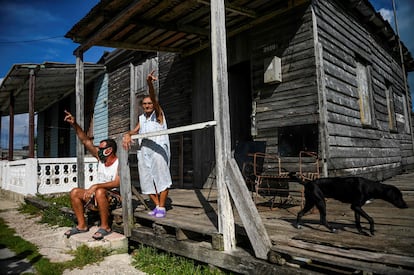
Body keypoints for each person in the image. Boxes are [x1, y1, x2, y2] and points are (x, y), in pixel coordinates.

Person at [63, 110, 121, 240]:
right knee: (74, 192)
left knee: (100, 191)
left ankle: (105, 226)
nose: (98, 150)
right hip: (97, 194)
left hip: (115, 197)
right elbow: (85, 141)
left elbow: (117, 183)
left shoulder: (119, 162)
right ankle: (82, 225)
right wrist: (74, 124)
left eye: (101, 149)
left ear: (109, 150)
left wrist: (96, 186)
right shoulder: (101, 159)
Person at [123, 70, 172, 218]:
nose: (147, 105)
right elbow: (134, 131)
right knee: (146, 179)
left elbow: (154, 99)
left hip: (158, 150)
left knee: (162, 178)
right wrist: (127, 135)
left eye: (149, 103)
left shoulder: (158, 114)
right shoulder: (142, 118)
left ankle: (162, 207)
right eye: (145, 104)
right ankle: (156, 205)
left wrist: (149, 83)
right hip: (144, 151)